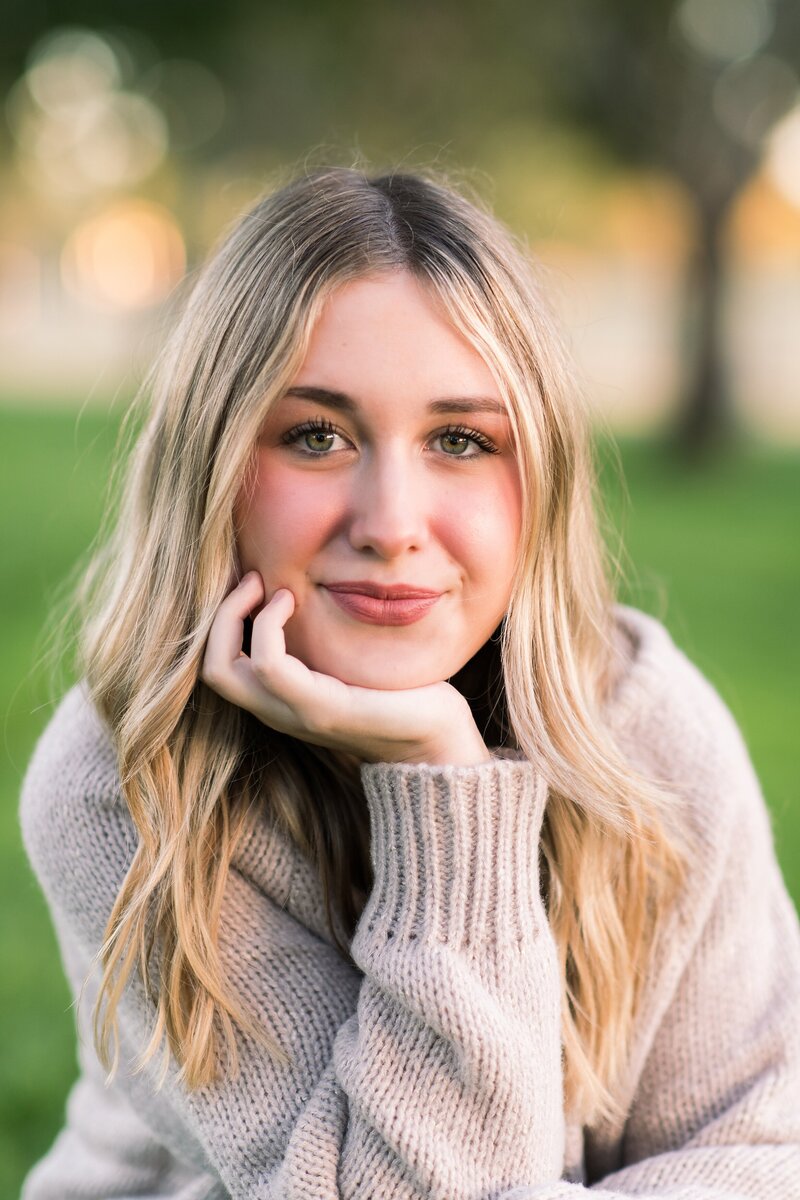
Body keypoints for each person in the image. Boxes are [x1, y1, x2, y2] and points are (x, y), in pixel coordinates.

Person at [19, 165, 800, 1199]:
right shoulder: (124, 782)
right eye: (315, 436)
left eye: (460, 441)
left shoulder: (645, 735)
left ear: (542, 485)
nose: (391, 524)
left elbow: (764, 1152)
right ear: (210, 469)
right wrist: (445, 776)